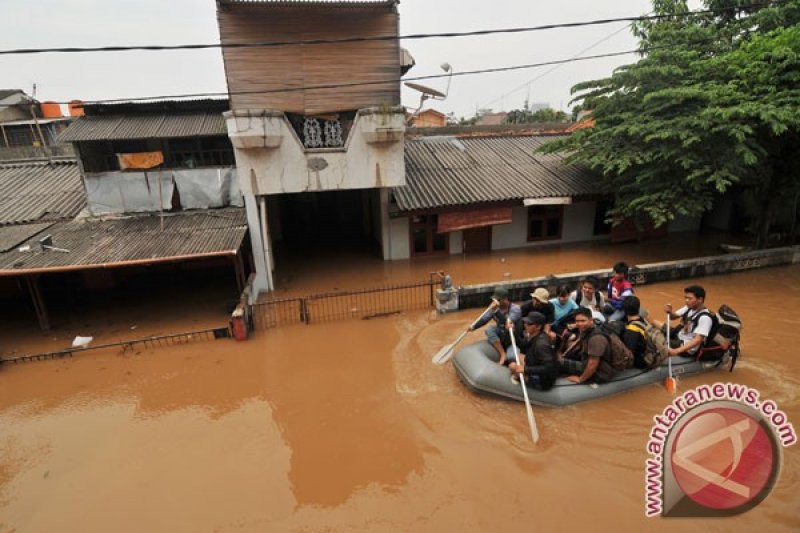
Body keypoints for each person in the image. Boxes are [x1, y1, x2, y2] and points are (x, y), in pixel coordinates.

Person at [651, 285, 714, 358]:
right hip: (679, 334)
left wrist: (676, 351)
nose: (686, 300)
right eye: (686, 298)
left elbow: (698, 340)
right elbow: (673, 317)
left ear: (700, 299)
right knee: (654, 322)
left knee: (655, 339)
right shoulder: (688, 307)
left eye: (690, 298)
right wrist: (669, 312)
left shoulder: (705, 318)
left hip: (684, 346)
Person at [559, 308, 616, 384]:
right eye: (577, 321)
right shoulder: (586, 331)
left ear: (591, 320)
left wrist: (581, 379)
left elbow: (592, 364)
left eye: (583, 321)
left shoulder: (596, 339)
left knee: (558, 363)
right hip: (587, 360)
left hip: (599, 372)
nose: (579, 324)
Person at [468, 287, 521, 365]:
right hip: (501, 333)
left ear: (505, 299)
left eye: (498, 300)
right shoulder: (495, 308)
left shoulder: (515, 309)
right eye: (494, 299)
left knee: (512, 357)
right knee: (489, 330)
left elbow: (507, 321)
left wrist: (496, 311)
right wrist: (474, 326)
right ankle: (502, 354)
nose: (495, 302)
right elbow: (484, 319)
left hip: (512, 338)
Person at [508, 312, 558, 390]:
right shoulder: (533, 335)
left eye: (529, 324)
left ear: (538, 327)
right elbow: (522, 345)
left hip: (543, 381)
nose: (525, 325)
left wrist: (525, 369)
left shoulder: (541, 345)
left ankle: (527, 380)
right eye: (525, 322)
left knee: (512, 366)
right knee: (520, 356)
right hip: (535, 363)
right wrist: (513, 331)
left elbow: (548, 368)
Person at [621, 295, 649, 368]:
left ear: (624, 311)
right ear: (638, 308)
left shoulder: (632, 329)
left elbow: (629, 352)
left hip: (642, 360)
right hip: (647, 350)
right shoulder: (644, 320)